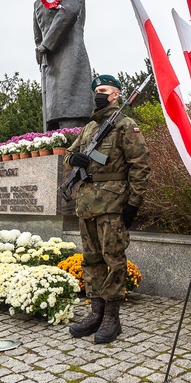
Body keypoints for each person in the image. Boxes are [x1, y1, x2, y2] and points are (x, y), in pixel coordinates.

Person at [65, 75, 151, 344]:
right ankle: (96, 312)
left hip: (113, 202)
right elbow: (70, 154)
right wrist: (74, 159)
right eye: (96, 91)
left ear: (116, 95)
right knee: (91, 259)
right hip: (87, 202)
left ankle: (112, 317)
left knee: (113, 258)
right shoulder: (90, 127)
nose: (99, 95)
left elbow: (140, 166)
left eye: (104, 90)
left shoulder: (126, 125)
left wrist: (133, 205)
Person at [30, 0, 94, 131]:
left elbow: (67, 13)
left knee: (70, 111)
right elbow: (37, 34)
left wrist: (45, 45)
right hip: (49, 66)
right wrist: (40, 49)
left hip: (70, 57)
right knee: (52, 120)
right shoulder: (37, 3)